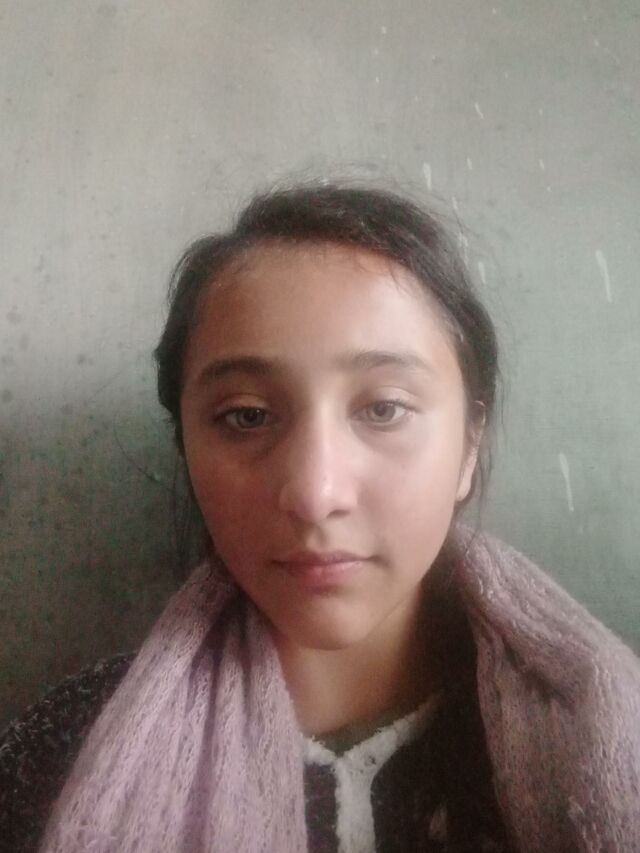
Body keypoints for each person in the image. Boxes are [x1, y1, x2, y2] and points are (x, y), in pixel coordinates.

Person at [1, 182, 639, 853]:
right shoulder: (55, 757)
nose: (315, 492)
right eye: (247, 415)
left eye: (384, 409)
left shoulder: (602, 728)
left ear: (469, 444)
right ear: (185, 446)